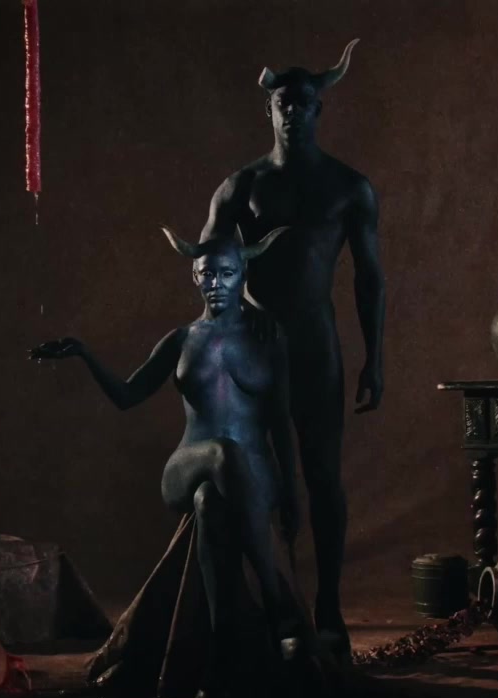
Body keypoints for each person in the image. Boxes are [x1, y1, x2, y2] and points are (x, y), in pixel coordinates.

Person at [30, 225, 307, 698]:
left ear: (243, 273)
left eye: (226, 273)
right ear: (193, 277)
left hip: (253, 475)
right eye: (206, 275)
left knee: (211, 504)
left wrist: (290, 491)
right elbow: (127, 396)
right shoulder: (181, 339)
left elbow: (281, 421)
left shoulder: (267, 336)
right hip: (188, 464)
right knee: (220, 455)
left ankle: (218, 667)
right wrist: (86, 355)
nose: (215, 284)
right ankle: (277, 606)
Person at [197, 38, 386, 659]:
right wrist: (222, 337)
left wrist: (375, 357)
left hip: (314, 343)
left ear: (318, 110)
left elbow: (369, 279)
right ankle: (268, 608)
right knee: (251, 476)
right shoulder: (242, 186)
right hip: (252, 345)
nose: (294, 112)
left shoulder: (348, 187)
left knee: (323, 474)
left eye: (305, 103)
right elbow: (208, 266)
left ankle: (328, 608)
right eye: (285, 102)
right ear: (269, 109)